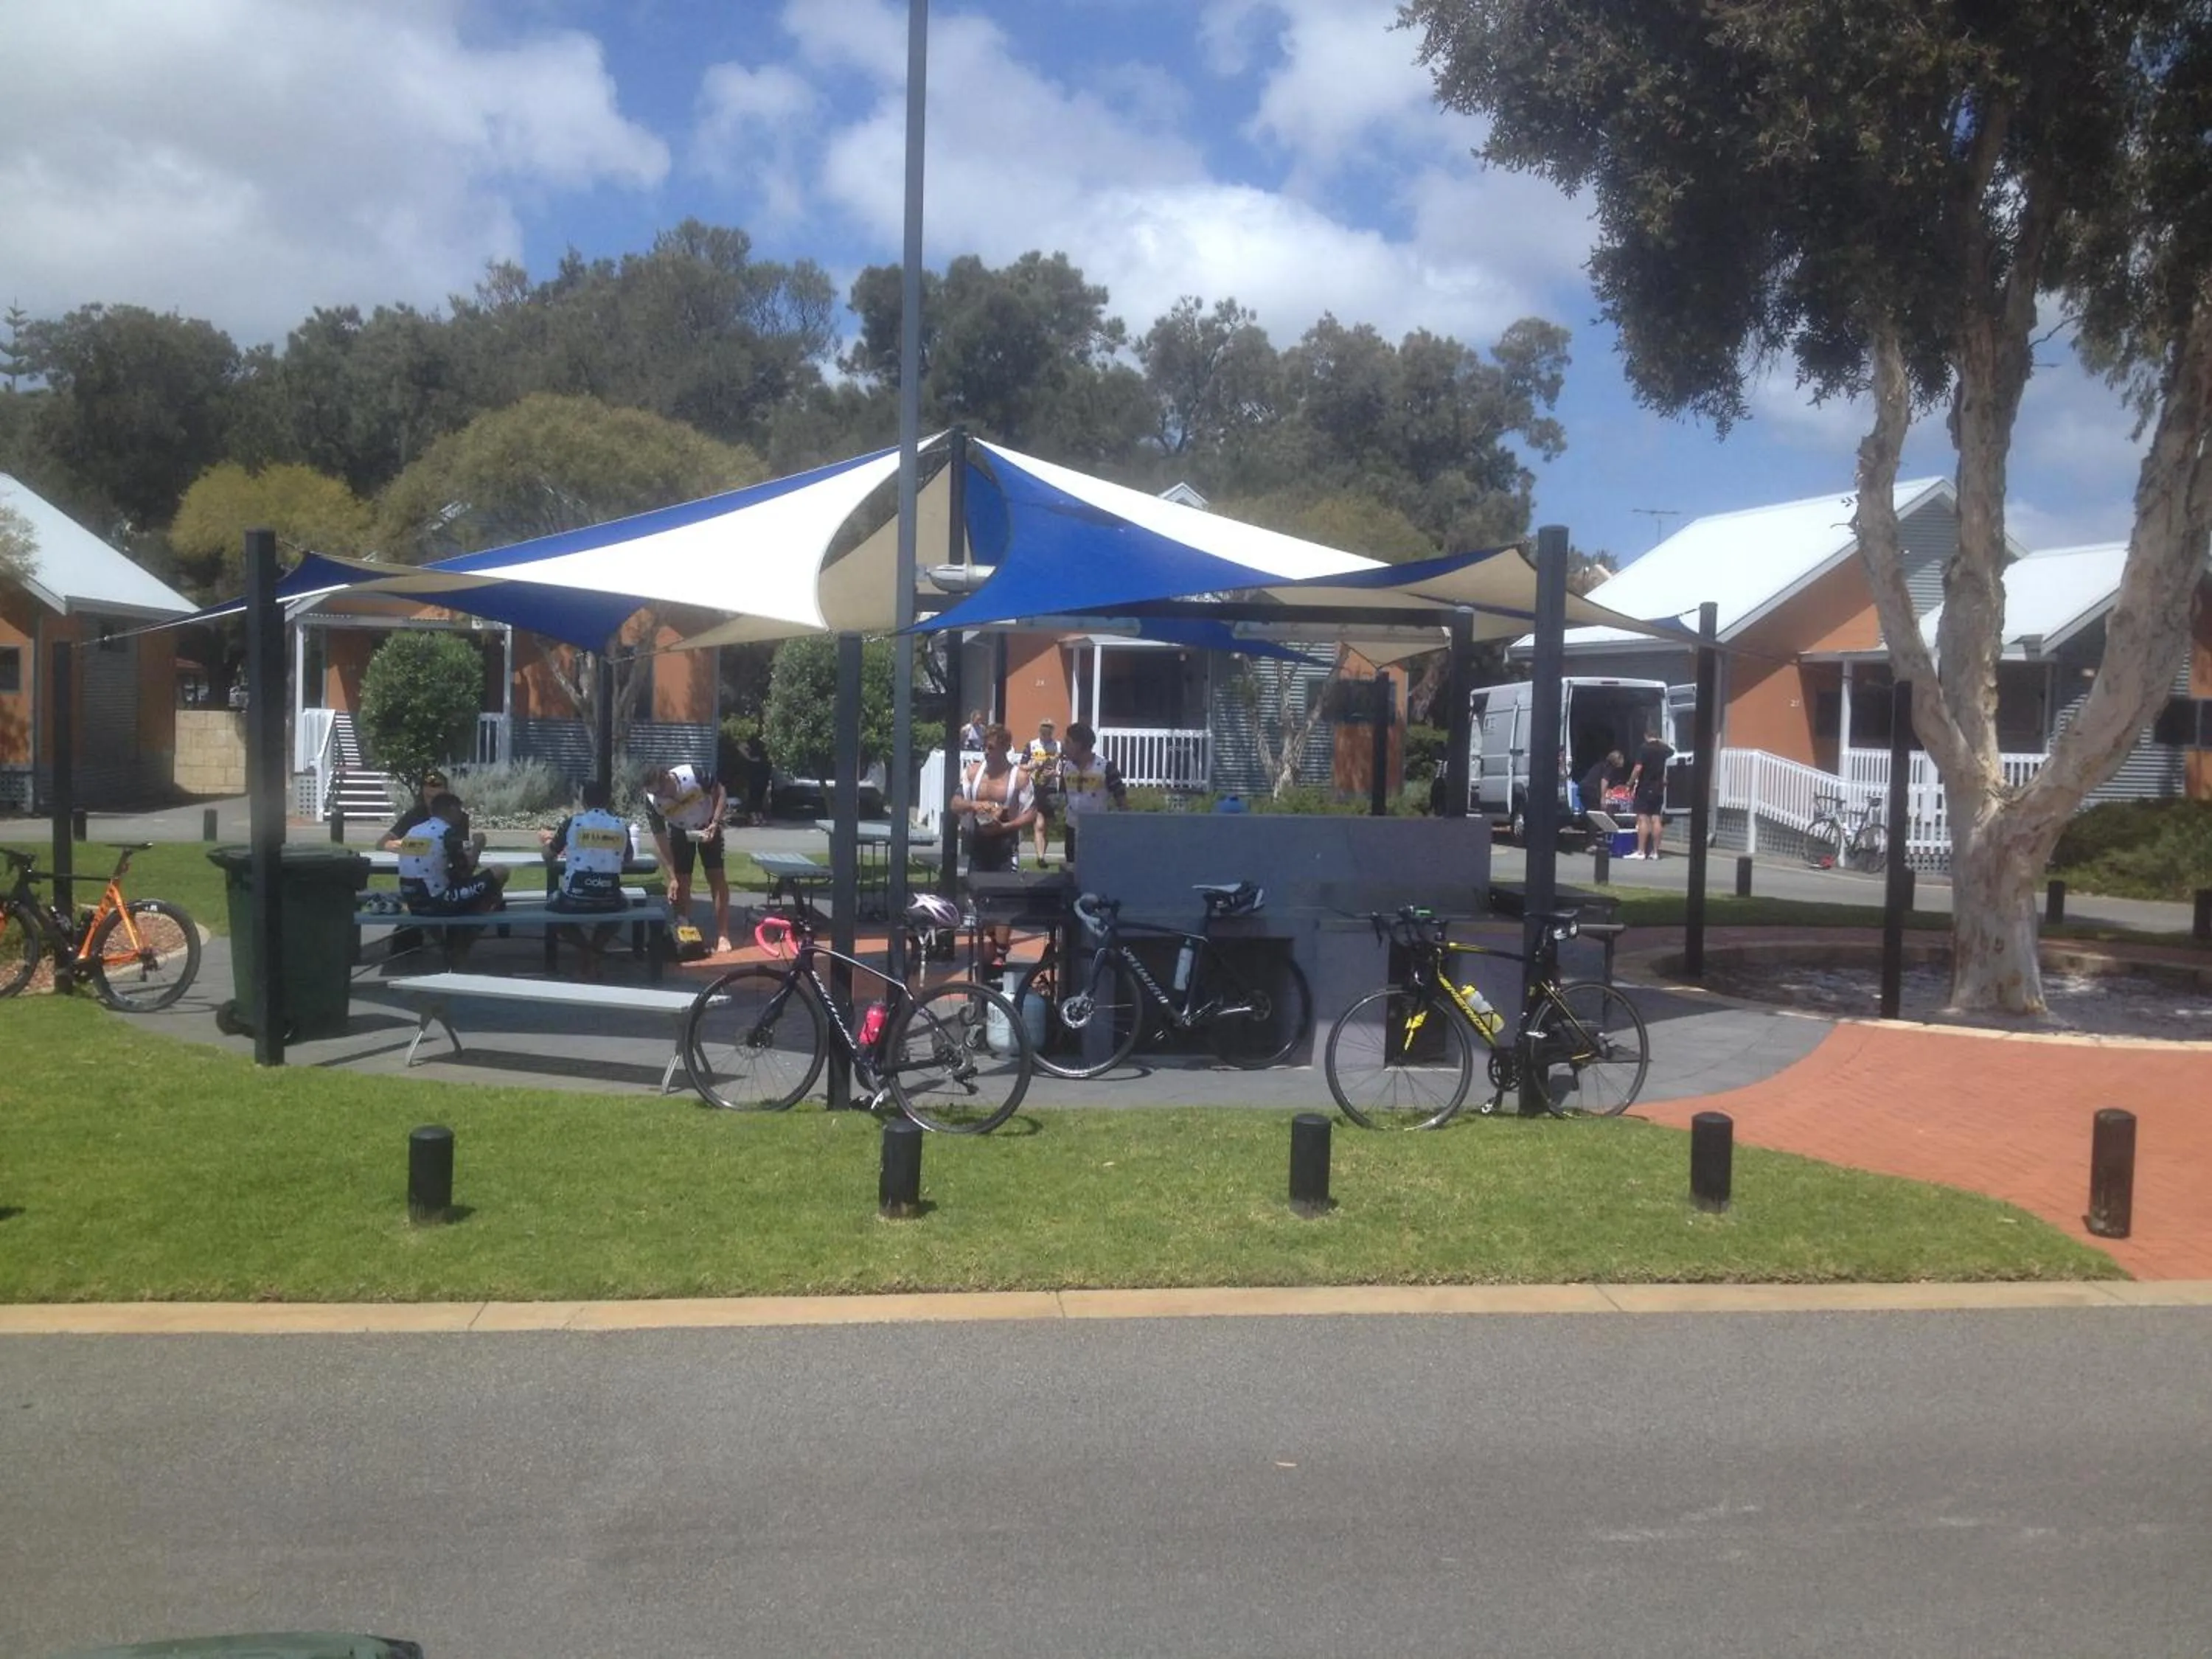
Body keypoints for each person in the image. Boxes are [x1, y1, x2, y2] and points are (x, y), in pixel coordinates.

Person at [952, 723, 1034, 968]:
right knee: (978, 899)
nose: (986, 752)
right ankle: (990, 940)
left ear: (1006, 748)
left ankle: (1000, 953)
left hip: (1004, 843)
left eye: (991, 748)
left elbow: (1031, 814)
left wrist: (1005, 827)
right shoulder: (974, 772)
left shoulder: (1018, 777)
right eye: (985, 747)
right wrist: (974, 806)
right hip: (978, 841)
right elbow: (955, 803)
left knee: (1004, 901)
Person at [539, 779, 632, 977]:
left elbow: (549, 856)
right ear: (608, 802)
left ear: (584, 801)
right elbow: (629, 859)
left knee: (551, 908)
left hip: (575, 898)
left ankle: (586, 951)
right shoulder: (621, 826)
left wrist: (546, 841)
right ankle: (595, 951)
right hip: (610, 898)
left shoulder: (573, 823)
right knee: (623, 906)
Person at [644, 761, 733, 954]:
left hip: (707, 823)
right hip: (680, 830)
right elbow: (660, 838)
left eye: (662, 791)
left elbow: (720, 791)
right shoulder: (653, 802)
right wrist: (672, 876)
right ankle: (685, 935)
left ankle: (723, 934)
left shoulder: (692, 774)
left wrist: (716, 822)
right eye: (655, 793)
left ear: (667, 776)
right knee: (682, 882)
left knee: (716, 876)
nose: (661, 796)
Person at [395, 790, 508, 919]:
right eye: (460, 810)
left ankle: (441, 934)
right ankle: (473, 924)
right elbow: (466, 871)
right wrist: (478, 845)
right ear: (452, 809)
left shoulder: (413, 831)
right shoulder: (447, 833)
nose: (462, 814)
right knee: (500, 871)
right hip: (437, 901)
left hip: (412, 901)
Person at [1054, 720, 1126, 866]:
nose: (1064, 746)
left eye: (1068, 742)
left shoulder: (1106, 768)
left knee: (1097, 869)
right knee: (1072, 871)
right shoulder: (1067, 768)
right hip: (1072, 829)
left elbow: (1122, 803)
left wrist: (1123, 830)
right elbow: (1064, 796)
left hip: (1098, 830)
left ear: (1079, 745)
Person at [1625, 728, 1675, 859]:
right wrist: (1660, 741)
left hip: (1645, 786)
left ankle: (1641, 851)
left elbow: (1638, 768)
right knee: (1656, 819)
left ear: (1645, 736)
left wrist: (1629, 784)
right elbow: (1672, 751)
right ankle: (1655, 852)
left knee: (1643, 818)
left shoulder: (1644, 748)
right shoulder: (1663, 750)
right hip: (1659, 788)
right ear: (1657, 737)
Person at [379, 767, 451, 850]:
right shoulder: (415, 815)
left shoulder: (456, 816)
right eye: (427, 784)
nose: (432, 789)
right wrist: (420, 846)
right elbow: (382, 844)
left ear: (446, 792)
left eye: (437, 785)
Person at [1025, 718, 1063, 863]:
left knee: (1046, 825)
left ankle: (1042, 854)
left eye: (1049, 728)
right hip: (1035, 786)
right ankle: (1040, 857)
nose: (1046, 730)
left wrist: (1056, 773)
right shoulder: (1032, 745)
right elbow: (1022, 766)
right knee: (1039, 824)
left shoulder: (1059, 746)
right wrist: (1034, 765)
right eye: (1043, 727)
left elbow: (1066, 767)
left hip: (1051, 787)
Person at [1580, 749, 1626, 835]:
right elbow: (1604, 781)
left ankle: (1592, 840)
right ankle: (1593, 841)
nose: (1623, 762)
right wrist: (1603, 798)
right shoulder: (1610, 768)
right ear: (1617, 760)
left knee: (1592, 815)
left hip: (1584, 789)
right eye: (1622, 759)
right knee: (1596, 815)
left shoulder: (1602, 765)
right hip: (1591, 791)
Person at [738, 733, 772, 826]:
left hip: (765, 771)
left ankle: (759, 815)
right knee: (754, 793)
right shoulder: (755, 740)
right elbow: (741, 747)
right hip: (755, 771)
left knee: (761, 794)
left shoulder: (772, 741)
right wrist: (750, 758)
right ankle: (753, 817)